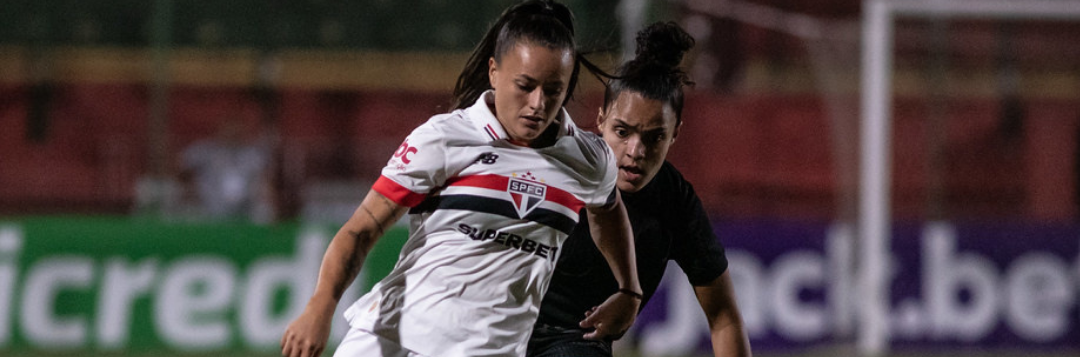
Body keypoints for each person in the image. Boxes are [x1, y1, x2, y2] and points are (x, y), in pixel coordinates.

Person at [280, 1, 643, 356]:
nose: (537, 103)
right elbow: (360, 230)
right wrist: (319, 307)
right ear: (494, 72)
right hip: (391, 340)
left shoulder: (588, 160)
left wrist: (629, 290)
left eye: (553, 90)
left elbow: (608, 208)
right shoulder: (444, 138)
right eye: (524, 85)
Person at [527, 22, 752, 357]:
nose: (635, 151)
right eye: (622, 131)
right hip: (501, 328)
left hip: (575, 345)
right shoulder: (553, 161)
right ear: (601, 120)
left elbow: (723, 316)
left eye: (654, 137)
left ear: (675, 134)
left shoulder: (674, 201)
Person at [177, 115, 276, 223]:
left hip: (246, 206)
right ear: (220, 131)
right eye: (229, 130)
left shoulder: (253, 154)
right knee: (188, 211)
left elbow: (264, 182)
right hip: (211, 205)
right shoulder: (204, 151)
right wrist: (191, 188)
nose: (232, 134)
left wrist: (266, 196)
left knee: (265, 210)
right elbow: (180, 169)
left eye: (236, 131)